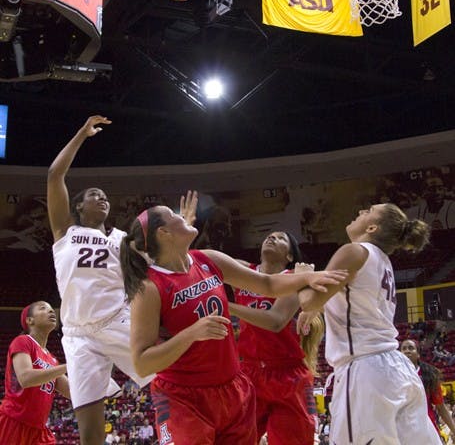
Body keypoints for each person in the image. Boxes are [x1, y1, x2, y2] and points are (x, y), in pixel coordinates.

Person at [120, 204, 348, 445]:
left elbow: (267, 285)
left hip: (233, 390)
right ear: (163, 233)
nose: (183, 216)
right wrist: (191, 334)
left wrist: (309, 277)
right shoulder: (149, 287)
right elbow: (142, 364)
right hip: (183, 397)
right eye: (174, 215)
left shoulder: (206, 259)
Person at [47, 115, 162, 445]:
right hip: (77, 334)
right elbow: (55, 175)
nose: (102, 198)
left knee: (171, 381)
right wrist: (82, 133)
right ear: (78, 206)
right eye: (93, 195)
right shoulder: (64, 233)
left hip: (119, 321)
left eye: (104, 196)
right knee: (90, 430)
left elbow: (154, 270)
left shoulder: (123, 240)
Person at [296, 203, 441, 445]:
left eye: (369, 211)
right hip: (397, 370)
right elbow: (353, 300)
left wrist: (300, 276)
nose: (361, 211)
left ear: (372, 227)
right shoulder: (382, 260)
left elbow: (309, 301)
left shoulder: (353, 251)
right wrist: (319, 307)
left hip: (366, 372)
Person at [229, 230, 320, 445]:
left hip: (287, 374)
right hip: (249, 372)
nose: (271, 238)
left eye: (280, 238)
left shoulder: (294, 278)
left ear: (289, 256)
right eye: (269, 236)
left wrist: (228, 306)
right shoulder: (243, 271)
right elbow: (202, 262)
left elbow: (275, 321)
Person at [0, 301, 70, 444]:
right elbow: (25, 378)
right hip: (13, 422)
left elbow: (73, 392)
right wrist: (70, 366)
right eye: (43, 308)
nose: (51, 311)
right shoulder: (23, 341)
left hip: (39, 431)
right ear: (29, 320)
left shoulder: (52, 359)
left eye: (51, 309)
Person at [401, 339, 455, 442]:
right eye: (403, 349)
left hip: (427, 428)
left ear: (418, 354)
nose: (407, 351)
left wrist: (453, 429)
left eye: (411, 348)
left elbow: (441, 407)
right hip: (404, 430)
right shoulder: (394, 376)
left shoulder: (429, 376)